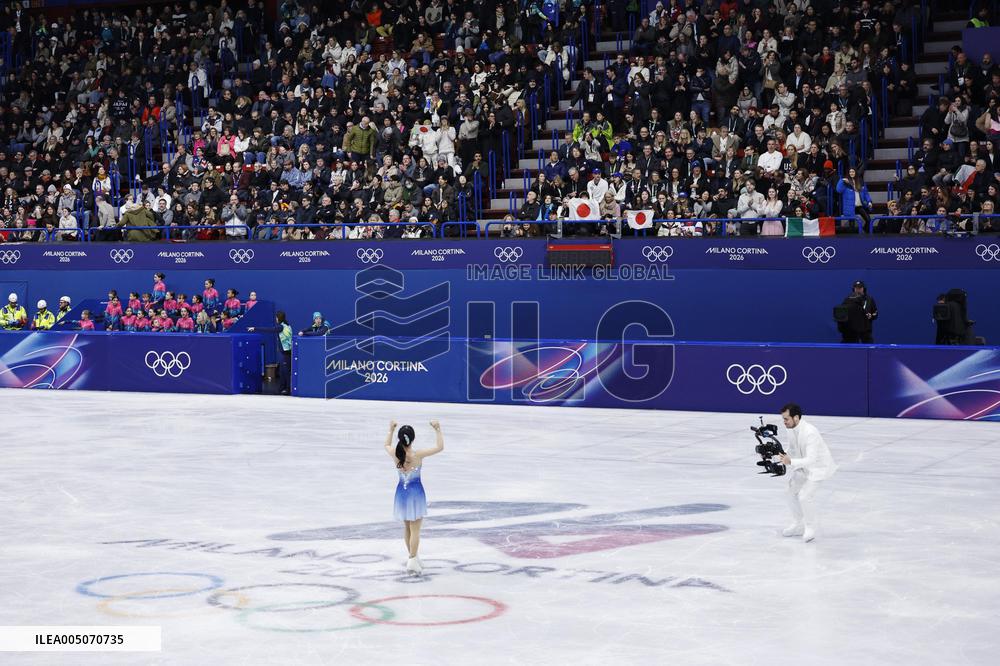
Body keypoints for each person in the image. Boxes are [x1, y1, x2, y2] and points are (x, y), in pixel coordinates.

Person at [384, 420, 444, 574]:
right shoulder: (417, 455)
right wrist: (437, 429)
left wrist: (390, 430)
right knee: (415, 530)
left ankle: (414, 557)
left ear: (400, 439)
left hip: (402, 494)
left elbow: (386, 445)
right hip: (415, 494)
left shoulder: (395, 454)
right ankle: (412, 559)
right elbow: (439, 447)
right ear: (413, 439)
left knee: (407, 527)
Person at [777, 403, 837, 543]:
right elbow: (791, 450)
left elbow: (811, 460)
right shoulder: (791, 429)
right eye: (783, 419)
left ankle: (810, 528)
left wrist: (790, 462)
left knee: (804, 496)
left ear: (796, 418)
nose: (784, 422)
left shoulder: (810, 432)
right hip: (803, 467)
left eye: (786, 419)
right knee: (790, 492)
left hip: (818, 469)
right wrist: (777, 456)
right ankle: (799, 524)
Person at [249, 311, 293, 395]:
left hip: (286, 352)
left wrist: (255, 328)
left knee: (286, 372)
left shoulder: (281, 327)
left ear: (279, 318)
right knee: (282, 371)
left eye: (276, 317)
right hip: (286, 351)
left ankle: (287, 389)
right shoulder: (287, 325)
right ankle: (282, 388)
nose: (276, 319)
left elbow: (269, 330)